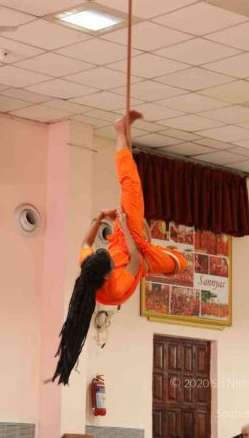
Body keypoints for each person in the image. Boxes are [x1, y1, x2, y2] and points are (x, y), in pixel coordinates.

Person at [51, 111, 187, 385]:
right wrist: (123, 224)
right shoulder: (114, 285)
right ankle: (121, 131)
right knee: (179, 263)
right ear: (107, 272)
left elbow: (86, 244)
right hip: (135, 252)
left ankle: (120, 131)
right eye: (109, 261)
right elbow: (134, 258)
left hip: (128, 243)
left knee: (130, 183)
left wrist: (102, 217)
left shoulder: (90, 267)